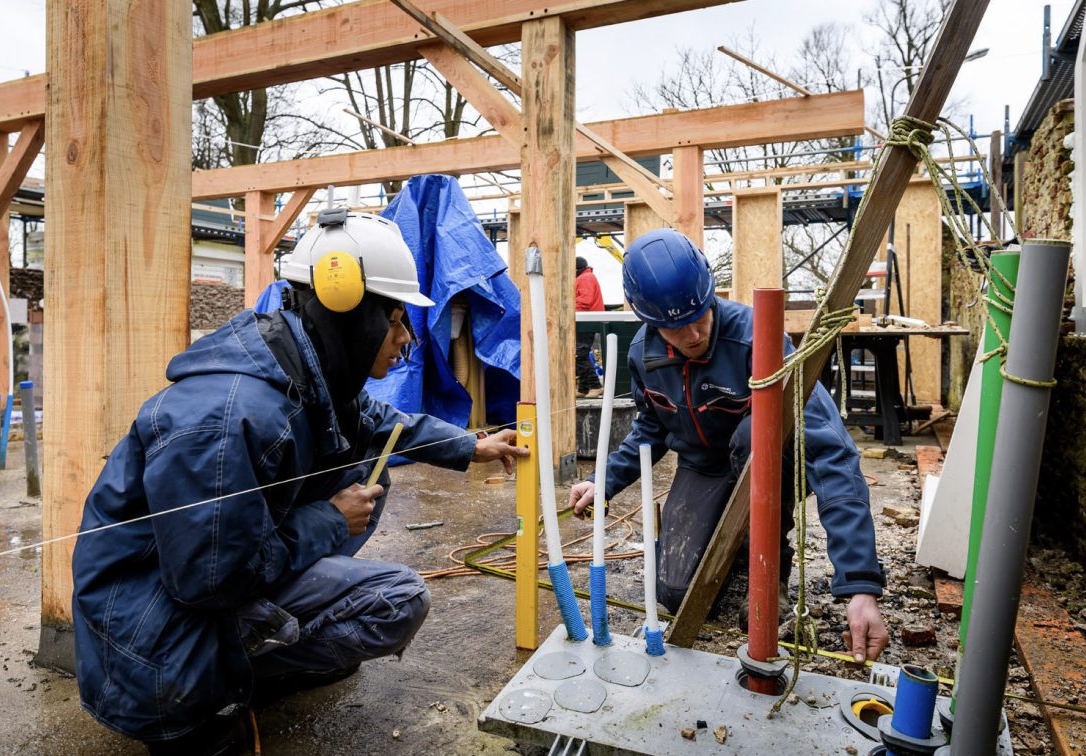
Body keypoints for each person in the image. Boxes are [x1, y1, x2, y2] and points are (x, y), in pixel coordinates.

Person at [71, 209, 527, 754]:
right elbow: (208, 580)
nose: (405, 339)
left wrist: (471, 446)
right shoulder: (225, 419)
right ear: (348, 311)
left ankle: (261, 655)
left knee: (365, 471)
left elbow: (378, 423)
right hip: (154, 649)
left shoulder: (300, 367)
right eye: (395, 320)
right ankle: (222, 686)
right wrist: (330, 520)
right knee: (396, 600)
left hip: (193, 594)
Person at [566, 228, 888, 664]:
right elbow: (650, 429)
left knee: (753, 434)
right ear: (648, 320)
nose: (692, 335)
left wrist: (860, 584)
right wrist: (602, 481)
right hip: (703, 467)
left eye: (699, 316)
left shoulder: (758, 339)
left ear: (710, 293)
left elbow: (830, 452)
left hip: (765, 461)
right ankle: (732, 546)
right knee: (676, 593)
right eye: (675, 329)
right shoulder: (643, 355)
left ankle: (769, 563)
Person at [574, 256, 605, 397]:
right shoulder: (586, 277)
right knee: (580, 354)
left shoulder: (584, 278)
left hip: (585, 320)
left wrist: (568, 311)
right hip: (586, 319)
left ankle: (595, 385)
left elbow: (584, 301)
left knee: (580, 354)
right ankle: (583, 388)